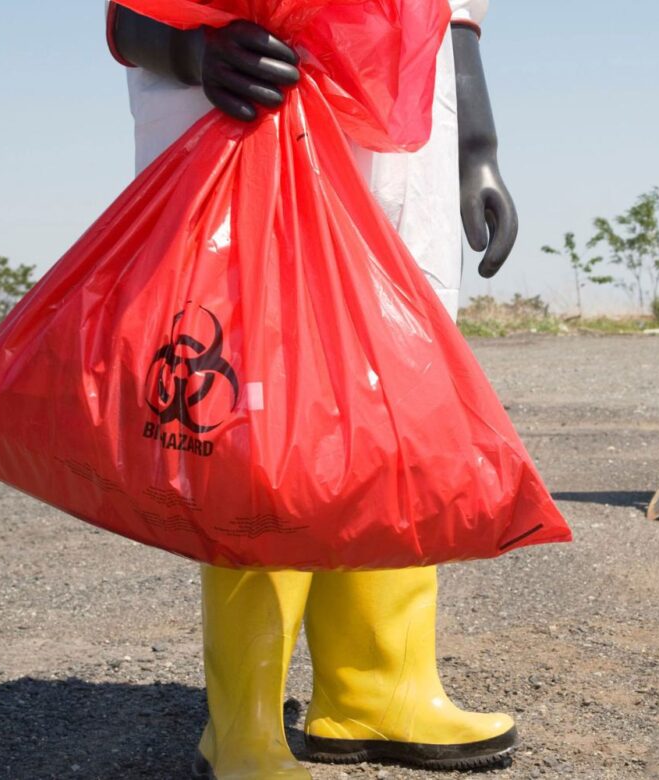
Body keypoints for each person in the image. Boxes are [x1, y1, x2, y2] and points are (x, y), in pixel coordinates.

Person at [106, 2, 520, 777]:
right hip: (255, 121)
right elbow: (129, 14)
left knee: (394, 409)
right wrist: (192, 53)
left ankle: (378, 686)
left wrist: (477, 145)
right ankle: (246, 722)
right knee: (262, 422)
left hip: (404, 135)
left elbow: (453, 14)